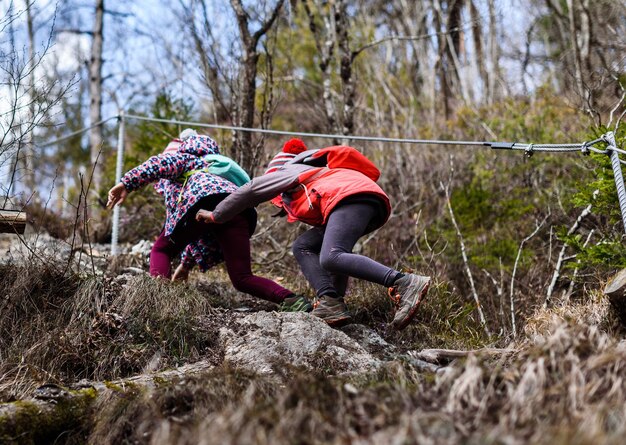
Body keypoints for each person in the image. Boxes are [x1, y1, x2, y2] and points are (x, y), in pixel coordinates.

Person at [195, 138, 431, 329]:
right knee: (305, 245)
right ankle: (331, 301)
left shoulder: (290, 169)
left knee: (330, 255)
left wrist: (216, 214)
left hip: (350, 197)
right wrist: (337, 302)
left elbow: (253, 189)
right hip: (365, 201)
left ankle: (403, 282)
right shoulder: (319, 174)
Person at [106, 130, 311, 312]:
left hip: (202, 201)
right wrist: (185, 266)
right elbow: (198, 232)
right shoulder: (216, 164)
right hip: (237, 209)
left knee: (162, 250)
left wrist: (127, 183)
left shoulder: (184, 159)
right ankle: (291, 300)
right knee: (242, 278)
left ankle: (157, 300)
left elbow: (159, 165)